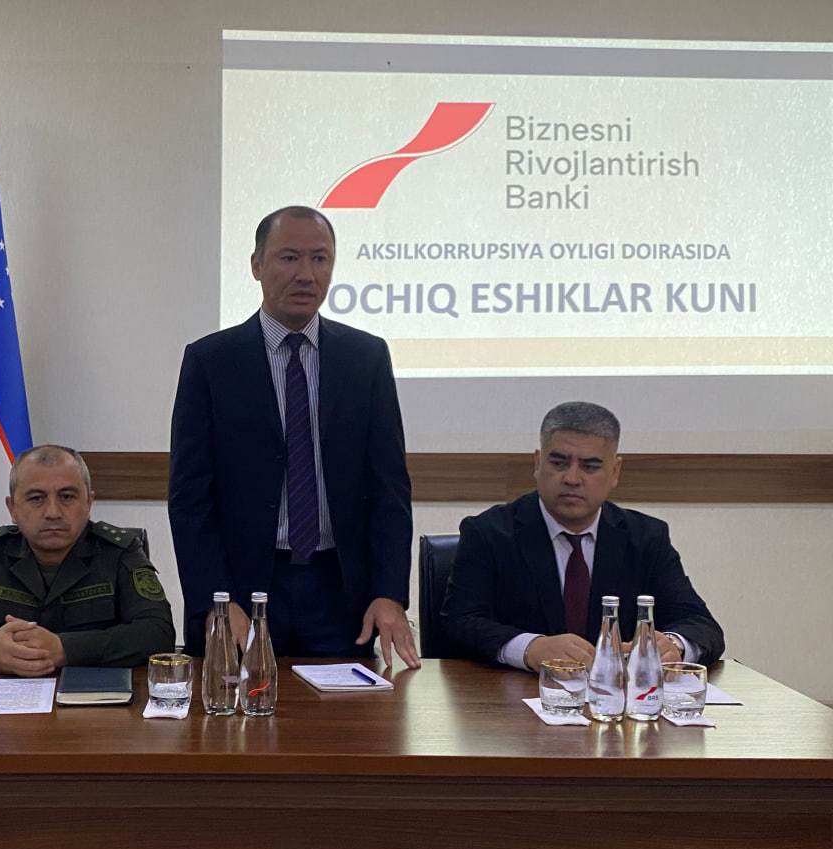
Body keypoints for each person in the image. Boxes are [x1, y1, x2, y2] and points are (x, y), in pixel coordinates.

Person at [168, 205, 418, 666]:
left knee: (345, 732)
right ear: (256, 265)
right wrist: (216, 600)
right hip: (243, 594)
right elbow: (190, 498)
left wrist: (389, 592)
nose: (306, 274)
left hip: (343, 593)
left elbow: (389, 490)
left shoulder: (366, 359)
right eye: (289, 258)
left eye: (320, 259)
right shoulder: (211, 361)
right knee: (232, 730)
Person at [441, 401, 724, 670]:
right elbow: (460, 622)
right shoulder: (488, 533)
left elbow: (700, 624)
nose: (573, 478)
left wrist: (673, 645)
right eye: (559, 463)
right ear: (537, 464)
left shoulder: (646, 538)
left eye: (590, 467)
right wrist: (531, 649)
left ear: (614, 472)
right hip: (513, 702)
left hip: (616, 707)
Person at [0, 444, 175, 675]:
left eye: (67, 497)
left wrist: (64, 649)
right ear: (12, 509)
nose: (53, 512)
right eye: (36, 499)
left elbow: (157, 633)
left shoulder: (120, 552)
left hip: (95, 707)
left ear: (89, 503)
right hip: (2, 710)